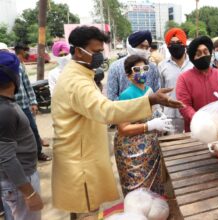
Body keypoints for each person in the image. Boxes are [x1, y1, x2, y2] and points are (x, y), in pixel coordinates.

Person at [51, 26, 183, 219]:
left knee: (88, 208)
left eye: (100, 52)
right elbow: (107, 110)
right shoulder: (76, 82)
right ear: (78, 51)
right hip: (79, 163)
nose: (99, 56)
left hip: (84, 155)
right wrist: (150, 100)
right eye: (95, 52)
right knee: (85, 211)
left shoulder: (81, 75)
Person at [114, 55, 173, 196]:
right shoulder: (126, 96)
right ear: (128, 75)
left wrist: (160, 117)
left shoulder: (149, 90)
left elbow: (152, 112)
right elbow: (123, 128)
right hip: (132, 151)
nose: (142, 72)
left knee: (155, 185)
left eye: (145, 68)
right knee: (138, 190)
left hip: (151, 147)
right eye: (136, 69)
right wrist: (150, 126)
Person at [0, 51, 44, 220]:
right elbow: (6, 157)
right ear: (13, 77)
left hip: (17, 179)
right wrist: (30, 193)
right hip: (18, 182)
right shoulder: (5, 111)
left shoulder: (7, 103)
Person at [176, 36, 218, 132]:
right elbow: (184, 106)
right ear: (192, 58)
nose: (203, 55)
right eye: (198, 54)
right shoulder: (184, 79)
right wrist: (201, 121)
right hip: (196, 131)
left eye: (205, 52)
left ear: (210, 53)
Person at [14, 43, 52, 161]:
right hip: (10, 108)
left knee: (33, 130)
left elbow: (27, 86)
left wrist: (33, 102)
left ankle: (38, 153)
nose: (29, 54)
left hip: (24, 106)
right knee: (13, 134)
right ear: (21, 51)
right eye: (27, 51)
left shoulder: (19, 66)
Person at [107, 30, 160, 101]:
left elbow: (156, 92)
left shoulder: (152, 67)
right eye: (141, 46)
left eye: (147, 48)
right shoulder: (116, 67)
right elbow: (112, 96)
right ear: (132, 46)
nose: (144, 50)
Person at [159, 28, 193, 134]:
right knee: (171, 146)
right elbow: (161, 91)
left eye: (178, 42)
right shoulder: (162, 66)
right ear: (168, 46)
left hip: (191, 113)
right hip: (170, 115)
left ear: (184, 44)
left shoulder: (193, 65)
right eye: (172, 43)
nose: (175, 45)